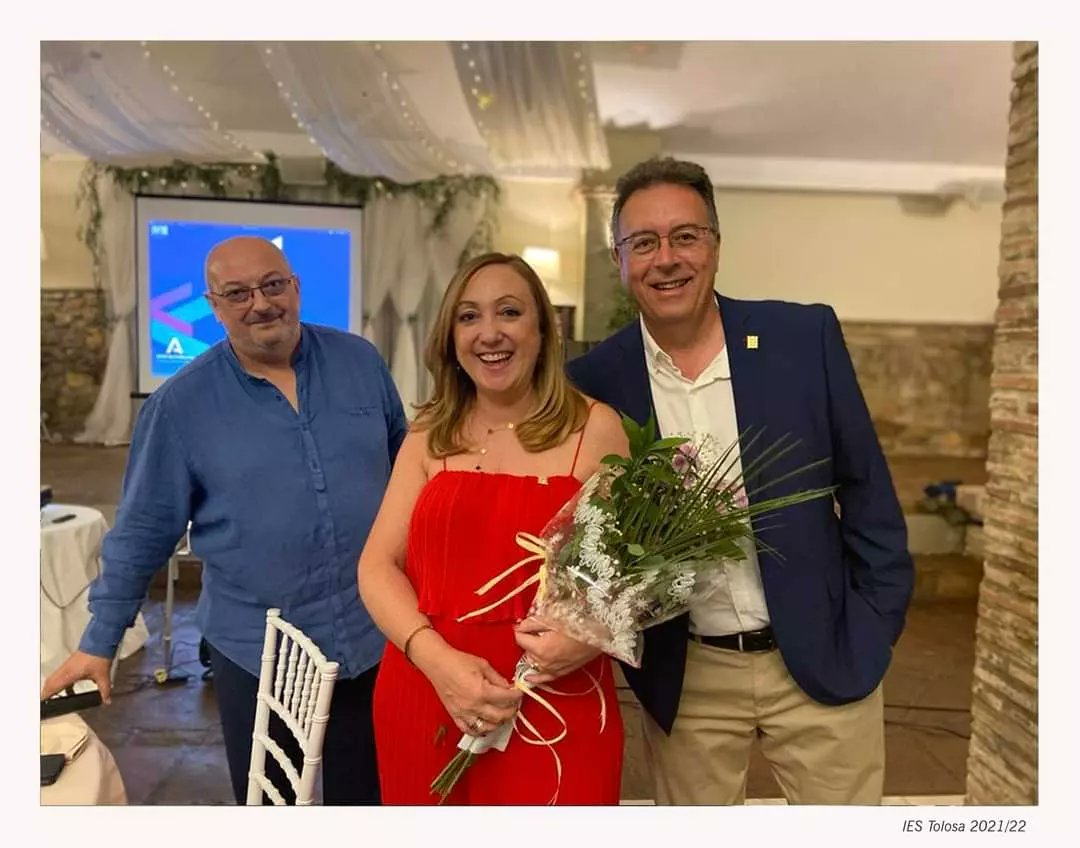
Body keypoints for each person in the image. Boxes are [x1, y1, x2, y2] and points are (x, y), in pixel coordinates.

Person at [567, 157, 914, 805]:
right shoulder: (595, 381)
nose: (665, 258)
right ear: (620, 259)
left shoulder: (801, 337)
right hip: (687, 675)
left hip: (823, 656)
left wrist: (873, 625)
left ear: (716, 245)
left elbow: (867, 490)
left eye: (686, 236)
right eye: (643, 242)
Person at [41, 236, 406, 806]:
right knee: (279, 804)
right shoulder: (181, 405)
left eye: (272, 285)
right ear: (214, 305)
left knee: (372, 795)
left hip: (375, 638)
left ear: (296, 287)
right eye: (237, 293)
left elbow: (404, 473)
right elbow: (141, 532)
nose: (260, 303)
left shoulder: (360, 362)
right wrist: (99, 641)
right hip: (263, 656)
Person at [358, 252, 628, 805]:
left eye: (508, 312)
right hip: (428, 689)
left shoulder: (595, 429)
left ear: (544, 329)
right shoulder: (429, 431)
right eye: (468, 316)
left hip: (557, 696)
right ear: (450, 336)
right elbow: (375, 566)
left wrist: (586, 634)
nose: (489, 333)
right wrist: (440, 665)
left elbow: (622, 577)